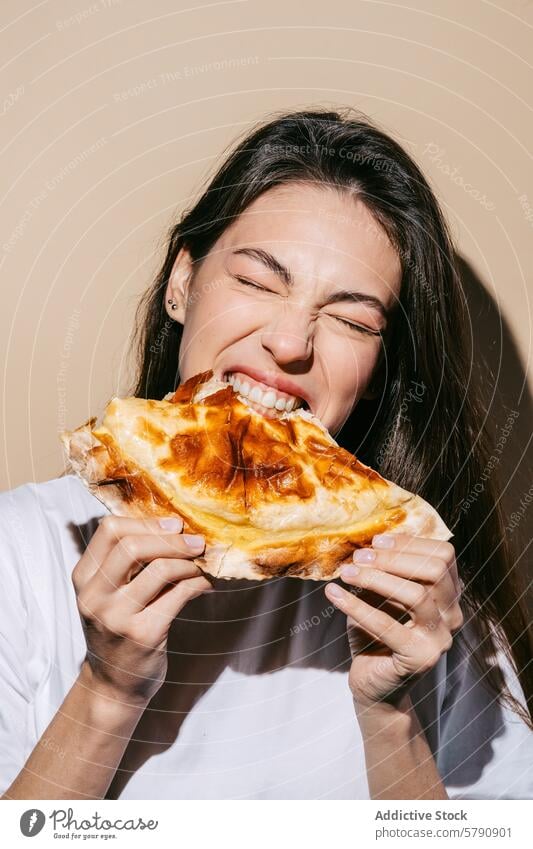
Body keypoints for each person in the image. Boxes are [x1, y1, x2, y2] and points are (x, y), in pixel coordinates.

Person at [1, 108, 531, 800]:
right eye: (255, 280)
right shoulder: (20, 551)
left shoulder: (422, 605)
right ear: (181, 283)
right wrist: (106, 689)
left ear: (376, 373)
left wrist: (389, 713)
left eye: (351, 319)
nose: (289, 342)